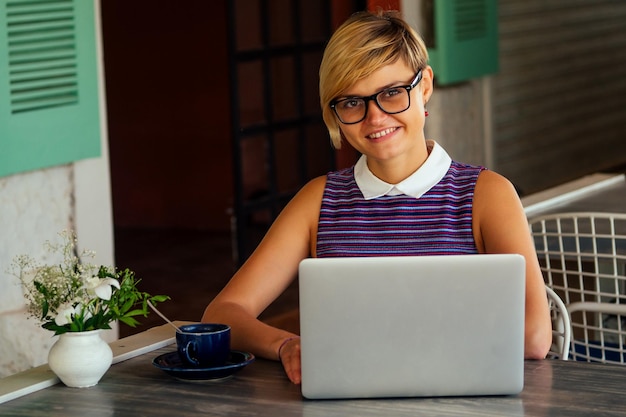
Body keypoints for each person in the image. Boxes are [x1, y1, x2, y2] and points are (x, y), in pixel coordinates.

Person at [203, 9, 552, 384]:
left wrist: (392, 349)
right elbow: (223, 313)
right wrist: (287, 344)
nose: (375, 117)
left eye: (391, 93)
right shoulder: (318, 201)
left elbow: (534, 338)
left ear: (425, 87)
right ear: (335, 113)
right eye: (352, 102)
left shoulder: (486, 195)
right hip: (344, 400)